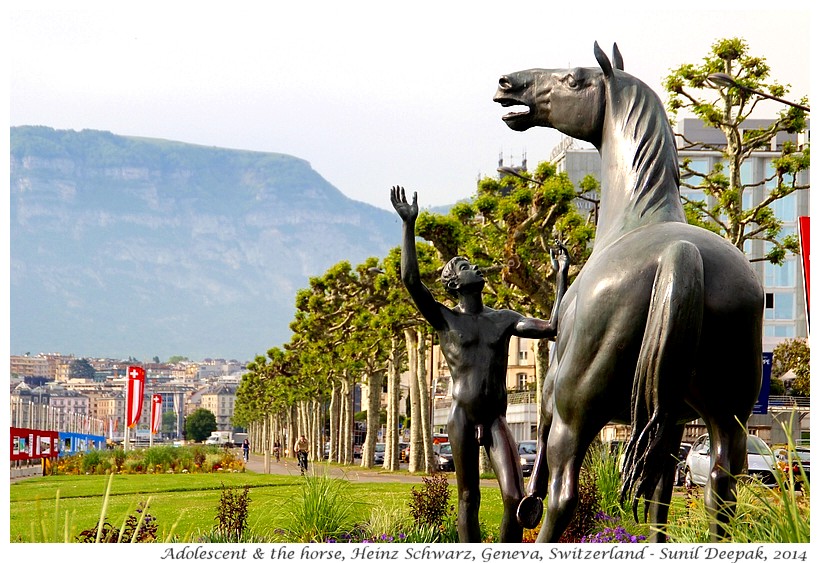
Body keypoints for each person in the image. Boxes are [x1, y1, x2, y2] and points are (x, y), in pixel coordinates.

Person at [390, 186, 569, 543]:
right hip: (461, 417)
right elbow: (410, 280)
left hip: (494, 417)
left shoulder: (503, 319)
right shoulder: (445, 320)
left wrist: (562, 276)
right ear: (455, 283)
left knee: (515, 498)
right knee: (468, 497)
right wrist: (409, 225)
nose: (474, 267)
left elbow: (551, 327)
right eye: (465, 267)